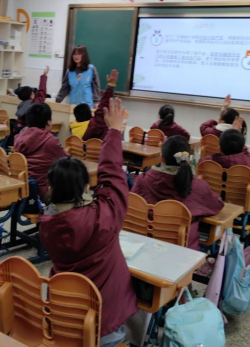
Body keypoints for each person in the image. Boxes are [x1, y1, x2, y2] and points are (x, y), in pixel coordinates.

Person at [39, 98, 137, 347]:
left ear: (51, 188)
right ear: (85, 187)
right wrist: (114, 131)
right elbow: (113, 176)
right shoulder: (103, 216)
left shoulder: (46, 223)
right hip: (104, 322)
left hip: (64, 314)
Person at [132, 136, 224, 250]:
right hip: (182, 252)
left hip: (144, 246)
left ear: (161, 157)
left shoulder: (142, 181)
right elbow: (217, 205)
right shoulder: (198, 186)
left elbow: (131, 205)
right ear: (188, 159)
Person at [14, 103, 68, 198]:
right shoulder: (50, 141)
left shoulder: (19, 137)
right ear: (48, 122)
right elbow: (67, 161)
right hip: (43, 192)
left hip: (22, 189)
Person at [82, 69, 118, 141]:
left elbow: (100, 114)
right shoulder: (107, 135)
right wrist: (111, 86)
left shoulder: (90, 127)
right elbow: (101, 113)